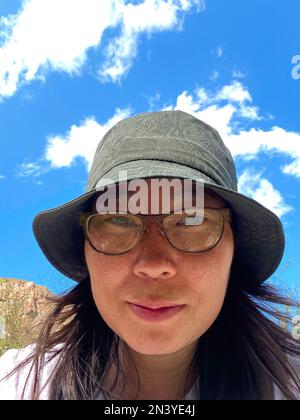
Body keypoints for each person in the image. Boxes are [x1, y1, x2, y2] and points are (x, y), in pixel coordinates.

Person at [0, 110, 299, 400]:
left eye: (193, 220)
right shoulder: (18, 384)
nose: (154, 265)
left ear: (235, 251)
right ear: (86, 250)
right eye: (117, 220)